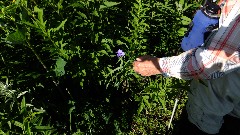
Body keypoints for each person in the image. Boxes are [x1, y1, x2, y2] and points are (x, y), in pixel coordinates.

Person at [133, 0, 240, 134]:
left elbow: (208, 64)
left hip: (210, 109)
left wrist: (157, 66)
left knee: (198, 126)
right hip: (233, 100)